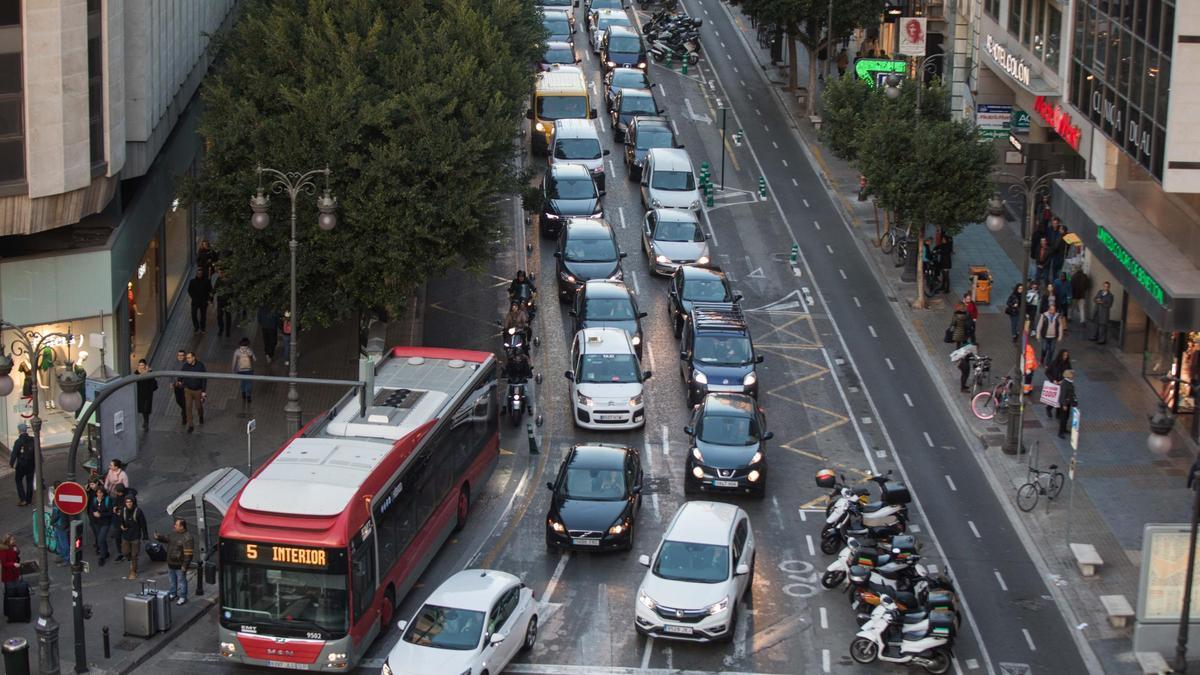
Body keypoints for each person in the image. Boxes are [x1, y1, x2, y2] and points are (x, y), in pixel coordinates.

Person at [154, 518, 195, 605]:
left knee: (182, 581)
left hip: (180, 564)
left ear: (182, 527)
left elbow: (188, 554)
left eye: (176, 525)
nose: (174, 526)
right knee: (172, 580)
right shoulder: (173, 533)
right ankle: (173, 593)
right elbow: (166, 538)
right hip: (171, 563)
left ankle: (183, 596)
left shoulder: (188, 538)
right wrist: (159, 537)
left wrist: (185, 565)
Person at [118, 495, 148, 580]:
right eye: (127, 502)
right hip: (126, 536)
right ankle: (131, 560)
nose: (129, 503)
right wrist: (121, 526)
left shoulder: (138, 511)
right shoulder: (123, 511)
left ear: (133, 502)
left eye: (130, 502)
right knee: (125, 552)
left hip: (135, 536)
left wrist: (145, 536)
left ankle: (133, 572)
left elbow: (143, 524)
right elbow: (120, 521)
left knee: (134, 555)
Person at [87, 485, 114, 566]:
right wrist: (93, 514)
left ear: (104, 493)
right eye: (98, 493)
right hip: (96, 523)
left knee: (101, 539)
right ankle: (106, 553)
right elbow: (91, 510)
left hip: (105, 523)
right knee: (101, 539)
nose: (99, 494)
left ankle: (102, 557)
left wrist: (100, 514)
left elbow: (110, 513)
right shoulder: (94, 500)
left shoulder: (107, 500)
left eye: (101, 493)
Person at [181, 352, 207, 433]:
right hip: (188, 390)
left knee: (198, 406)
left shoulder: (200, 366)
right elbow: (181, 375)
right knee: (188, 407)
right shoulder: (185, 366)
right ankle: (191, 425)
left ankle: (201, 415)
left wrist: (203, 391)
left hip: (198, 390)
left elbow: (204, 379)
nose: (187, 359)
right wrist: (180, 382)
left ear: (193, 358)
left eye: (189, 358)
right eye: (187, 358)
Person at [9, 422, 34, 506]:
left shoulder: (18, 441)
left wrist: (11, 463)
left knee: (18, 480)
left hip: (21, 465)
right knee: (29, 481)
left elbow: (14, 453)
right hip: (31, 464)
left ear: (19, 431)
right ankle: (29, 500)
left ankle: (23, 499)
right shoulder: (32, 439)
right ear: (26, 430)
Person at [1043, 349, 1072, 419]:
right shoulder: (1054, 363)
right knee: (1055, 398)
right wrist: (1053, 380)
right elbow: (1047, 372)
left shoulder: (1068, 364)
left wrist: (1064, 380)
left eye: (1066, 355)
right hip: (1055, 383)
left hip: (1063, 384)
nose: (1065, 357)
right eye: (1064, 355)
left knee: (1061, 398)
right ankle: (1049, 408)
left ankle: (1058, 414)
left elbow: (1070, 374)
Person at [135, 359, 157, 431]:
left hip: (148, 394)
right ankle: (145, 421)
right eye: (140, 365)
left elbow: (153, 382)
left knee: (146, 409)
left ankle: (146, 423)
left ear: (145, 365)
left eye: (142, 365)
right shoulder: (136, 373)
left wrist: (148, 372)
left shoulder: (149, 372)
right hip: (140, 394)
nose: (141, 366)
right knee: (142, 409)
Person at [187, 269, 212, 334]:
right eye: (198, 273)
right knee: (193, 314)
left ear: (202, 274)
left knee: (203, 316)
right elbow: (189, 290)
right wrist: (193, 297)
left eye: (200, 274)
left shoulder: (206, 281)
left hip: (203, 301)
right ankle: (196, 327)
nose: (199, 275)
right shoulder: (192, 281)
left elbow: (210, 291)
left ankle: (202, 328)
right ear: (196, 274)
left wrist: (209, 299)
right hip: (195, 301)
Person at [231, 337, 256, 403]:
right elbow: (255, 359)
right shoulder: (249, 350)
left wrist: (233, 370)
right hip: (249, 370)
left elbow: (234, 361)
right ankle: (248, 396)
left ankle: (243, 392)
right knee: (249, 383)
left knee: (242, 381)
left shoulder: (237, 351)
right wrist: (251, 354)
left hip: (240, 370)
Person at [49, 491, 70, 566]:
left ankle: (67, 559)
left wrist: (52, 521)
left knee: (63, 543)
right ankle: (62, 556)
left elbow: (57, 514)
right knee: (58, 541)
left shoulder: (60, 501)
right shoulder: (55, 500)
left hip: (61, 525)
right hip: (58, 524)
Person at [212, 265, 233, 337]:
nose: (219, 274)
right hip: (220, 301)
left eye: (221, 273)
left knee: (228, 317)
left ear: (224, 273)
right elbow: (215, 288)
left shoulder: (230, 280)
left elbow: (233, 290)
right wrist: (212, 294)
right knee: (219, 316)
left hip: (228, 301)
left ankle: (228, 331)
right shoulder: (218, 279)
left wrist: (228, 291)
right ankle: (221, 329)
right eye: (219, 273)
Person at [1057, 369, 1078, 438]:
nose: (1073, 376)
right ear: (1069, 376)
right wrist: (1064, 405)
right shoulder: (1065, 384)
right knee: (1063, 418)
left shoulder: (1068, 382)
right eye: (1072, 375)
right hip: (1065, 403)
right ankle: (1060, 432)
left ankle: (1064, 429)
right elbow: (1063, 395)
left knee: (1066, 417)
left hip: (1068, 402)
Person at [172, 350, 187, 425]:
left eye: (182, 355)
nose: (180, 357)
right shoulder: (175, 364)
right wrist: (171, 382)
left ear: (184, 356)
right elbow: (171, 374)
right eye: (179, 355)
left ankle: (184, 416)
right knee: (178, 400)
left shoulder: (186, 365)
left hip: (184, 387)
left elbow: (188, 376)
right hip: (176, 385)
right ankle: (184, 410)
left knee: (183, 401)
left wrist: (182, 383)